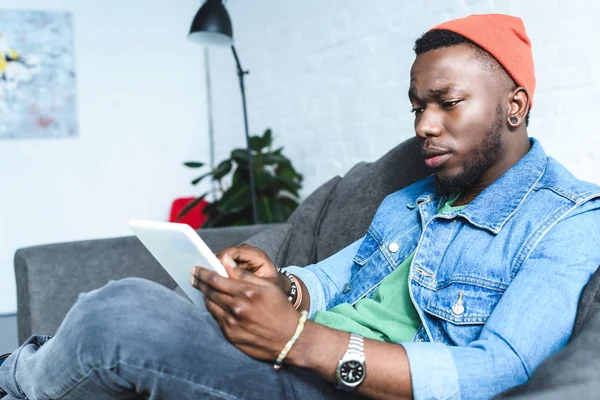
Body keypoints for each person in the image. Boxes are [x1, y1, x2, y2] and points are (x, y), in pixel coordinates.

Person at [2, 13, 600, 400]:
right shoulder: (414, 198)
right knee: (129, 304)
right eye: (417, 106)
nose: (424, 125)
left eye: (447, 103)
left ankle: (14, 377)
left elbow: (502, 368)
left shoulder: (569, 219)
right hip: (296, 354)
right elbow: (334, 279)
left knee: (120, 314)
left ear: (515, 105)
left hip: (334, 381)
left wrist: (300, 343)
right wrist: (284, 287)